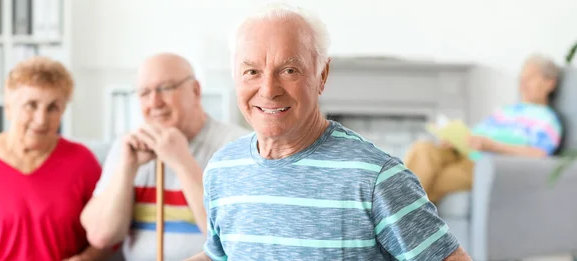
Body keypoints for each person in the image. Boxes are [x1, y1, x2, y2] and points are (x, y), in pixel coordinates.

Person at [187, 4, 471, 261]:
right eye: (252, 72)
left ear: (321, 75)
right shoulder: (223, 168)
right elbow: (219, 255)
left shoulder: (375, 177)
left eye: (288, 70)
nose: (269, 90)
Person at [80, 53, 250, 260]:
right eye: (144, 93)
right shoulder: (127, 147)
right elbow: (101, 236)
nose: (155, 102)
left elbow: (236, 239)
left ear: (196, 90)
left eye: (166, 88)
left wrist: (181, 161)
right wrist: (127, 168)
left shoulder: (237, 146)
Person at [0, 56, 107, 260]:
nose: (41, 119)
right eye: (31, 105)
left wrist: (87, 258)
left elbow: (110, 233)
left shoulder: (82, 161)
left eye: (53, 107)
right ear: (9, 106)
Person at [404, 54, 563, 204]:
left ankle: (388, 222)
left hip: (482, 165)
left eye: (531, 77)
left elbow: (539, 154)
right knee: (422, 147)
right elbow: (476, 134)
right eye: (523, 76)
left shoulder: (547, 119)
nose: (523, 82)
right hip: (460, 153)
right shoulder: (505, 111)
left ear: (550, 83)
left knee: (427, 180)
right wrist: (455, 140)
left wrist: (493, 146)